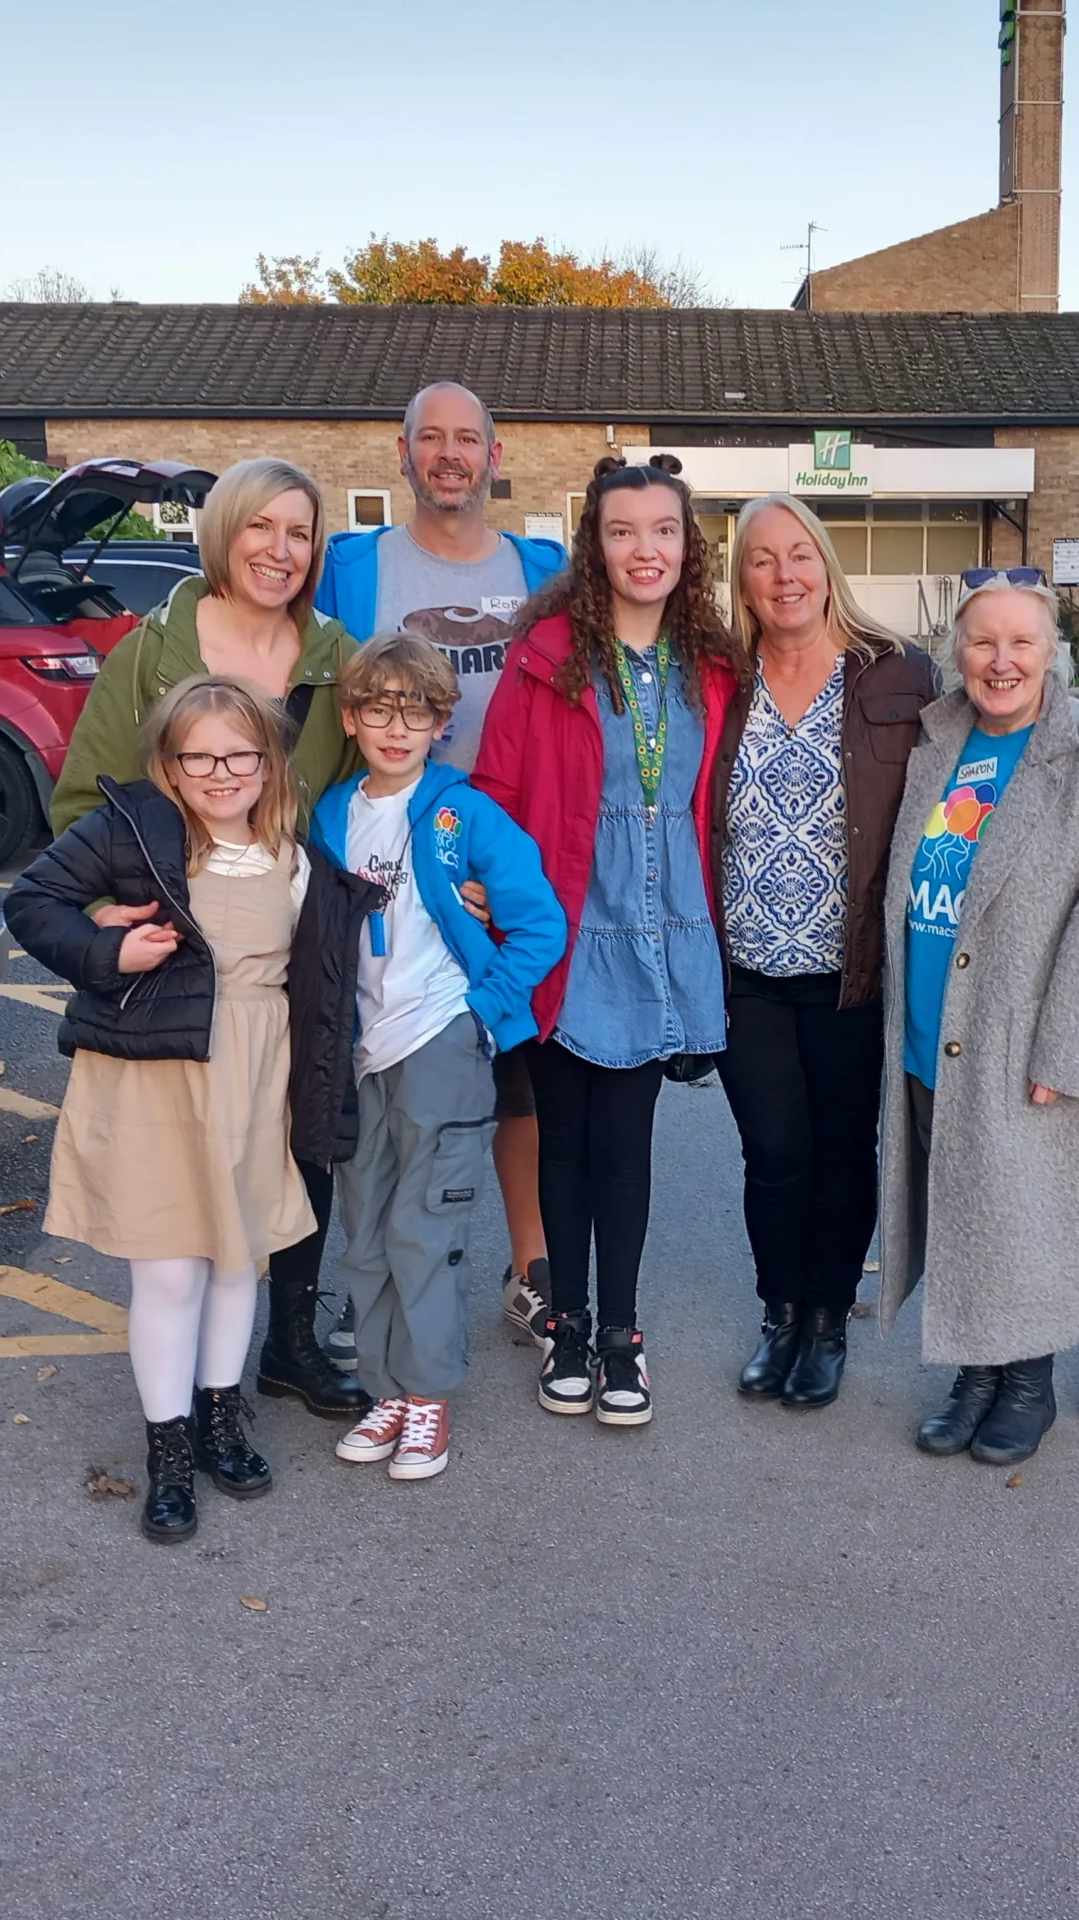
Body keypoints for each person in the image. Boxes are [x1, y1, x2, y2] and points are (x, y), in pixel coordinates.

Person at [48, 456, 367, 1424]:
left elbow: (367, 789)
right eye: (261, 527)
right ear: (223, 531)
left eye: (301, 532)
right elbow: (80, 804)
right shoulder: (151, 652)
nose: (280, 550)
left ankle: (290, 1343)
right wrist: (108, 917)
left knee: (299, 1144)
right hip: (183, 964)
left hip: (292, 942)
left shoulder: (334, 652)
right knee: (190, 1175)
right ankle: (181, 1403)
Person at [8, 677, 319, 1543]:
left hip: (255, 1072)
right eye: (200, 756)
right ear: (170, 765)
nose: (222, 772)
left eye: (241, 754)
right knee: (170, 1268)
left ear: (269, 760)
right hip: (155, 1076)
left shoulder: (289, 851)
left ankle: (223, 1419)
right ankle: (168, 1447)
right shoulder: (132, 834)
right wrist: (109, 946)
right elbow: (29, 902)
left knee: (235, 1259)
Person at [474, 454, 738, 1428]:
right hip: (562, 931)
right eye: (621, 531)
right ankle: (569, 1327)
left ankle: (621, 1333)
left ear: (686, 546)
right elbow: (498, 793)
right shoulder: (543, 655)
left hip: (661, 937)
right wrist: (493, 916)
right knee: (563, 1143)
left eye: (661, 532)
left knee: (626, 1146)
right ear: (595, 544)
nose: (643, 550)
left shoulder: (712, 666)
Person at [877, 570, 1079, 1467]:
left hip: (1018, 1026)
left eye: (1021, 643)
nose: (1001, 661)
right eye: (983, 642)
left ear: (1050, 653)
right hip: (931, 1018)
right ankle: (975, 1373)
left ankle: (1025, 1383)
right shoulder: (937, 744)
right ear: (958, 651)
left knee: (1017, 1206)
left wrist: (1070, 1046)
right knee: (960, 1197)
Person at [314, 382, 567, 1351]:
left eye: (469, 439)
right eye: (433, 438)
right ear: (403, 451)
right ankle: (370, 1281)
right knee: (385, 1076)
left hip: (503, 856)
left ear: (495, 454)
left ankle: (530, 1267)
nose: (450, 454)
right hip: (392, 861)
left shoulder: (541, 569)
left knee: (516, 1074)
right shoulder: (355, 568)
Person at [290, 636, 565, 1483]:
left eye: (415, 713)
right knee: (364, 1231)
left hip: (440, 1042)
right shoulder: (331, 815)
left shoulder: (464, 813)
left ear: (443, 723)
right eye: (378, 709)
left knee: (424, 1226)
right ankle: (385, 1389)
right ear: (351, 717)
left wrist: (478, 1013)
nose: (396, 727)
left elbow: (540, 923)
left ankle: (429, 1395)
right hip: (358, 1051)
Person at [709, 495, 935, 1410]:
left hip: (855, 969)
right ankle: (781, 1313)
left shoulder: (899, 675)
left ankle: (829, 1317)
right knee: (774, 1150)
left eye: (798, 554)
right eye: (762, 560)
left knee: (844, 1149)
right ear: (743, 581)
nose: (784, 574)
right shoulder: (718, 676)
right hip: (747, 969)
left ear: (826, 563)